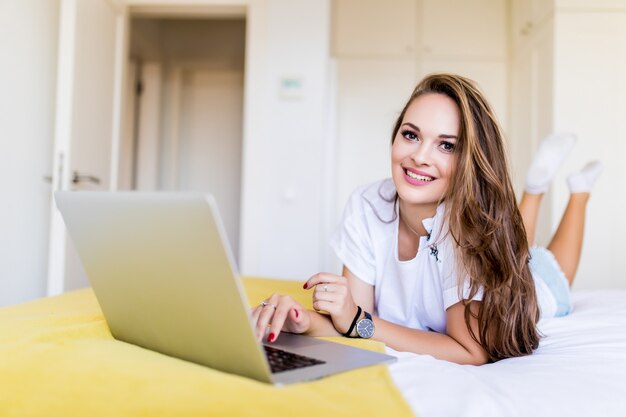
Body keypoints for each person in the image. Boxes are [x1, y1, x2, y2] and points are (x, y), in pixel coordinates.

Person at [252, 73, 603, 365]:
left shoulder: (464, 228)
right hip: (496, 247)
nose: (419, 156)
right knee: (517, 243)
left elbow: (469, 350)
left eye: (446, 145)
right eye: (411, 134)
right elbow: (354, 325)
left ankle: (578, 191)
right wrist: (302, 322)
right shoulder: (367, 204)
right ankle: (537, 185)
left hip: (531, 284)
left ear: (468, 159)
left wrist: (360, 321)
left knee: (552, 271)